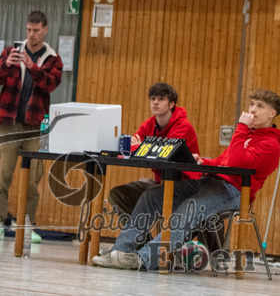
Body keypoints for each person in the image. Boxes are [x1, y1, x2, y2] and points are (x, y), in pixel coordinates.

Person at [94, 89, 280, 271]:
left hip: (234, 192)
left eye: (260, 106)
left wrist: (241, 127)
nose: (252, 109)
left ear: (272, 113)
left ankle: (143, 259)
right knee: (151, 196)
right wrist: (204, 161)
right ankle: (122, 250)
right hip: (209, 182)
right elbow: (223, 161)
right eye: (252, 104)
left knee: (188, 209)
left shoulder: (270, 144)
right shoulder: (247, 135)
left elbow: (237, 163)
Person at [0, 10, 63, 242]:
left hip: (35, 125)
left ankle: (25, 225)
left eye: (36, 30)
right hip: (8, 121)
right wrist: (6, 65)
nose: (31, 34)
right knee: (1, 173)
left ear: (45, 30)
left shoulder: (52, 58)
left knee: (32, 178)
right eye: (29, 30)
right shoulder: (11, 52)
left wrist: (32, 67)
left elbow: (50, 84)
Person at [107, 82, 199, 220]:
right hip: (161, 182)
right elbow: (132, 149)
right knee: (117, 194)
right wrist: (144, 148)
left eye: (161, 99)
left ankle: (141, 237)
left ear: (171, 104)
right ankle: (141, 239)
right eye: (153, 99)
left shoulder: (183, 126)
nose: (155, 102)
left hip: (185, 185)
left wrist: (142, 147)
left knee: (150, 195)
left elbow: (165, 154)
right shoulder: (148, 125)